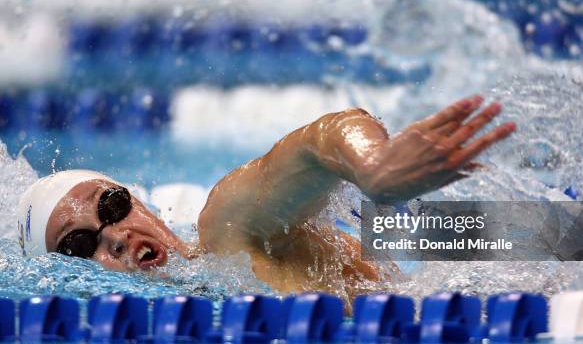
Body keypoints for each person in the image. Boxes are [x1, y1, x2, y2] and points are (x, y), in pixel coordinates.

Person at [17, 95, 514, 301]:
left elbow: (325, 136)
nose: (116, 236)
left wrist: (375, 169)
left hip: (466, 260)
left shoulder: (226, 231)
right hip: (436, 271)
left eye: (111, 206)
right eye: (80, 245)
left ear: (140, 203)